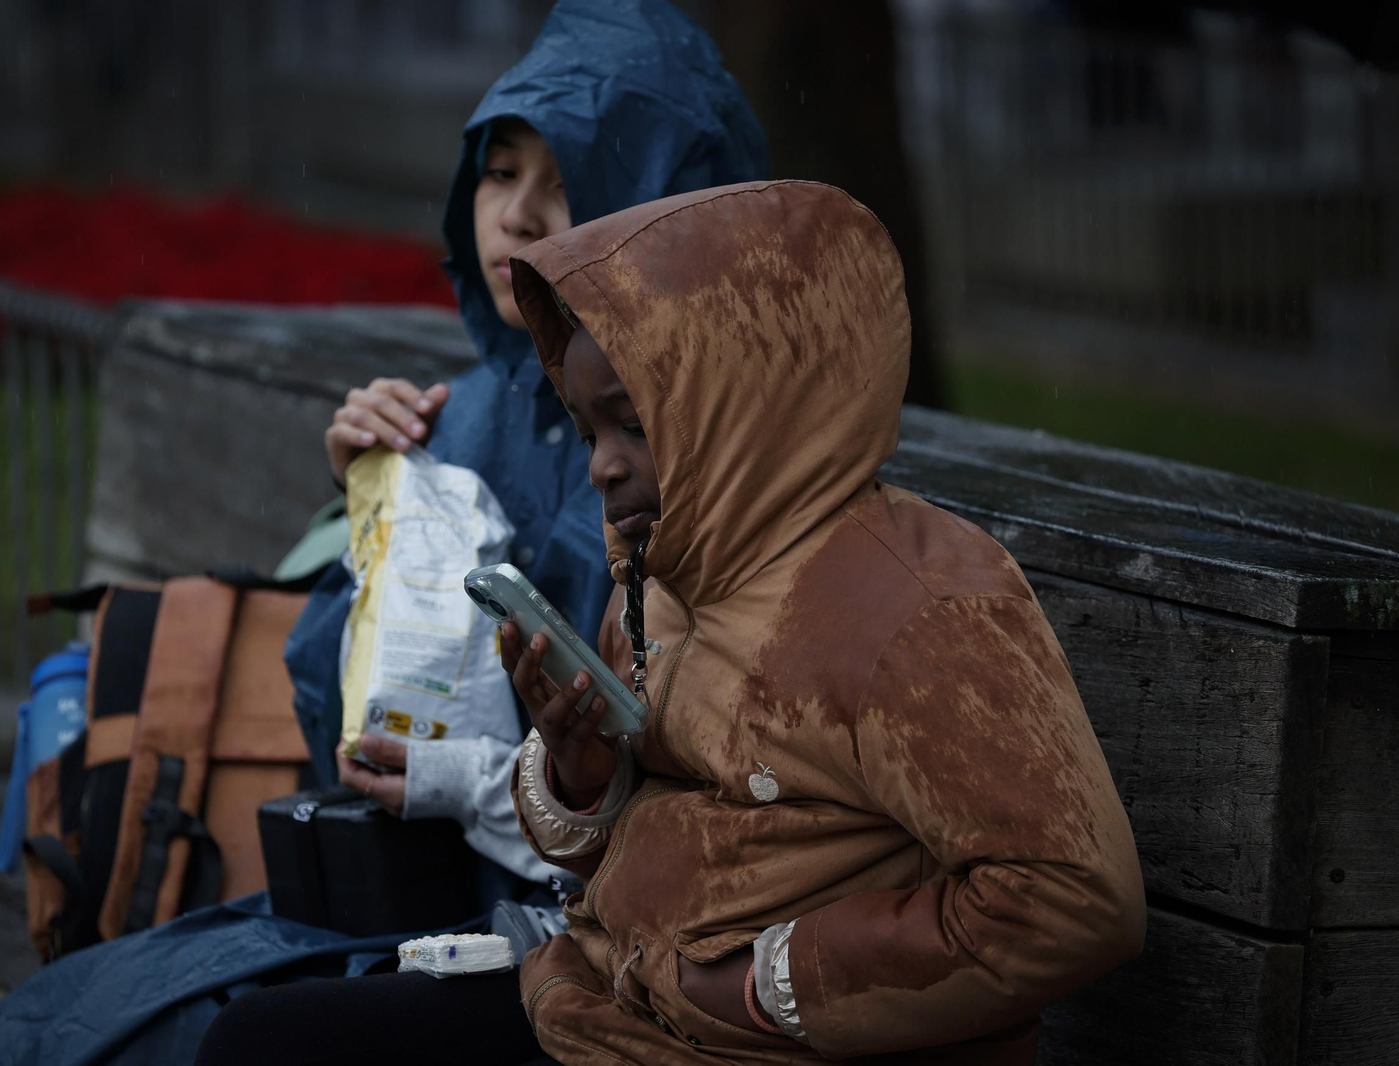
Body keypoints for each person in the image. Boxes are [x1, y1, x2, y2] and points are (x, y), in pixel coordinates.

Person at [197, 180, 1145, 1065]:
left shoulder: (922, 609)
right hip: (599, 1005)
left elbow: (1071, 900)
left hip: (746, 1045)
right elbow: (610, 843)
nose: (602, 465)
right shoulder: (666, 568)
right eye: (588, 429)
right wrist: (580, 772)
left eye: (635, 424)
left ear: (747, 405)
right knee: (257, 1039)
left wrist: (769, 984)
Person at [277, 0, 767, 899]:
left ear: (656, 213)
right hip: (398, 894)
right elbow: (338, 718)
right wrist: (378, 512)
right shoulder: (455, 417)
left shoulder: (713, 459)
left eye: (569, 181)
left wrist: (472, 788)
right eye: (498, 171)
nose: (516, 215)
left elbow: (693, 808)